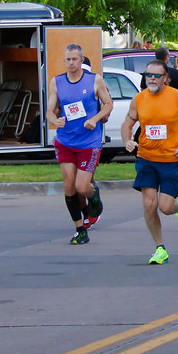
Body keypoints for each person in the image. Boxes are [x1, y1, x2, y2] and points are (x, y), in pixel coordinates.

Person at [122, 59, 178, 264]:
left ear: (165, 78)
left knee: (165, 207)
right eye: (148, 75)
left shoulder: (177, 97)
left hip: (170, 159)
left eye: (156, 75)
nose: (151, 79)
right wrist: (127, 140)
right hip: (146, 158)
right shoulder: (139, 99)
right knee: (149, 203)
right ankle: (160, 248)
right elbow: (127, 123)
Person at [46, 44, 113, 245]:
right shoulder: (56, 82)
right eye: (68, 59)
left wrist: (96, 118)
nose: (71, 63)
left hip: (89, 142)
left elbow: (108, 104)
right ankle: (80, 229)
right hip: (65, 141)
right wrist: (55, 120)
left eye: (75, 59)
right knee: (69, 187)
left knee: (82, 186)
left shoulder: (94, 80)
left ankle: (94, 195)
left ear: (81, 60)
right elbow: (49, 110)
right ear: (64, 61)